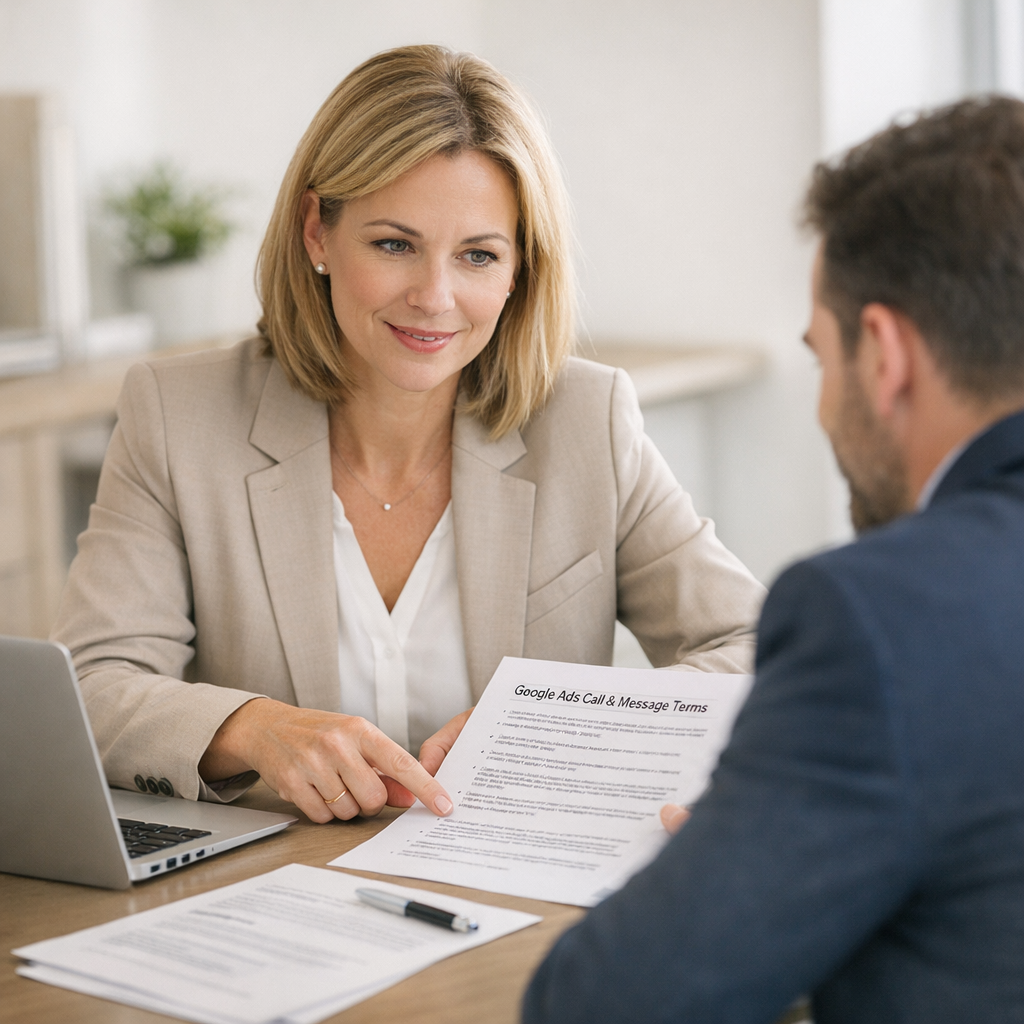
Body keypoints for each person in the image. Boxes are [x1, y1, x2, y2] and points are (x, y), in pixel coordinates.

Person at [52, 45, 764, 827]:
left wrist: (553, 726)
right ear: (317, 233)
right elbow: (90, 688)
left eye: (479, 255)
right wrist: (253, 728)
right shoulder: (177, 414)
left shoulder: (588, 422)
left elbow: (759, 648)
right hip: (274, 899)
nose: (435, 297)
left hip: (511, 895)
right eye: (395, 244)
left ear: (519, 269)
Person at [523, 95, 1024, 1024]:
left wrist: (730, 848)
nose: (825, 405)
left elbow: (601, 1003)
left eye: (821, 360)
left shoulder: (882, 618)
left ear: (884, 354)